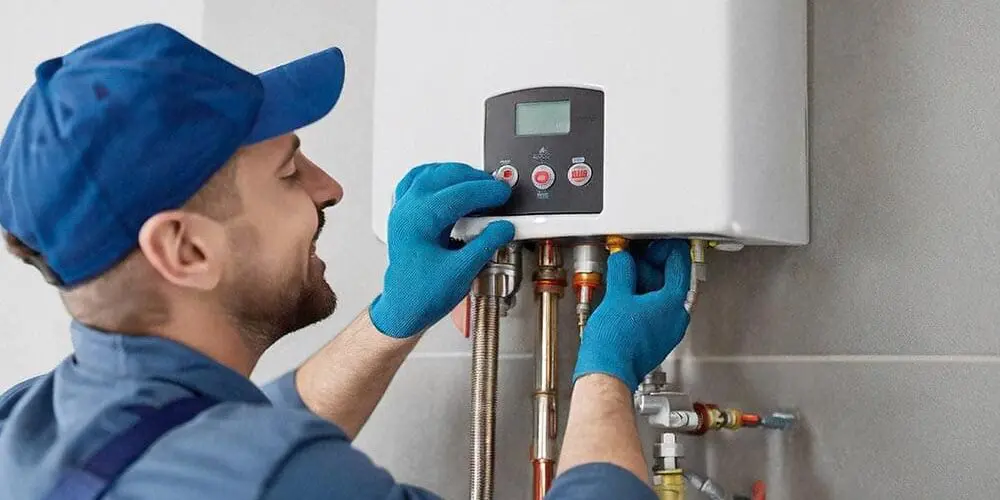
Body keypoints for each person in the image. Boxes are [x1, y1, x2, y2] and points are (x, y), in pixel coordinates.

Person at [0, 23, 692, 499]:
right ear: (186, 249)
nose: (329, 188)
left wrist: (392, 318)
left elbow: (228, 433)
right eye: (289, 171)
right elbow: (262, 466)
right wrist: (606, 373)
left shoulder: (23, 427)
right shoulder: (276, 478)